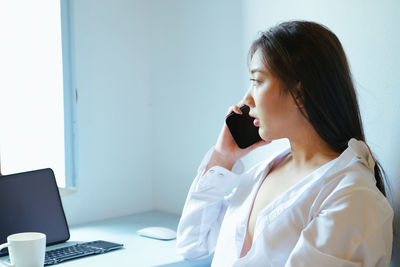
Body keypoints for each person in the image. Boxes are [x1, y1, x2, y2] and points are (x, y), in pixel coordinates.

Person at [176, 21, 394, 267]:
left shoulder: (351, 197)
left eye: (257, 81)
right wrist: (223, 158)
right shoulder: (263, 172)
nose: (246, 99)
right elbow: (192, 244)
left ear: (299, 94)